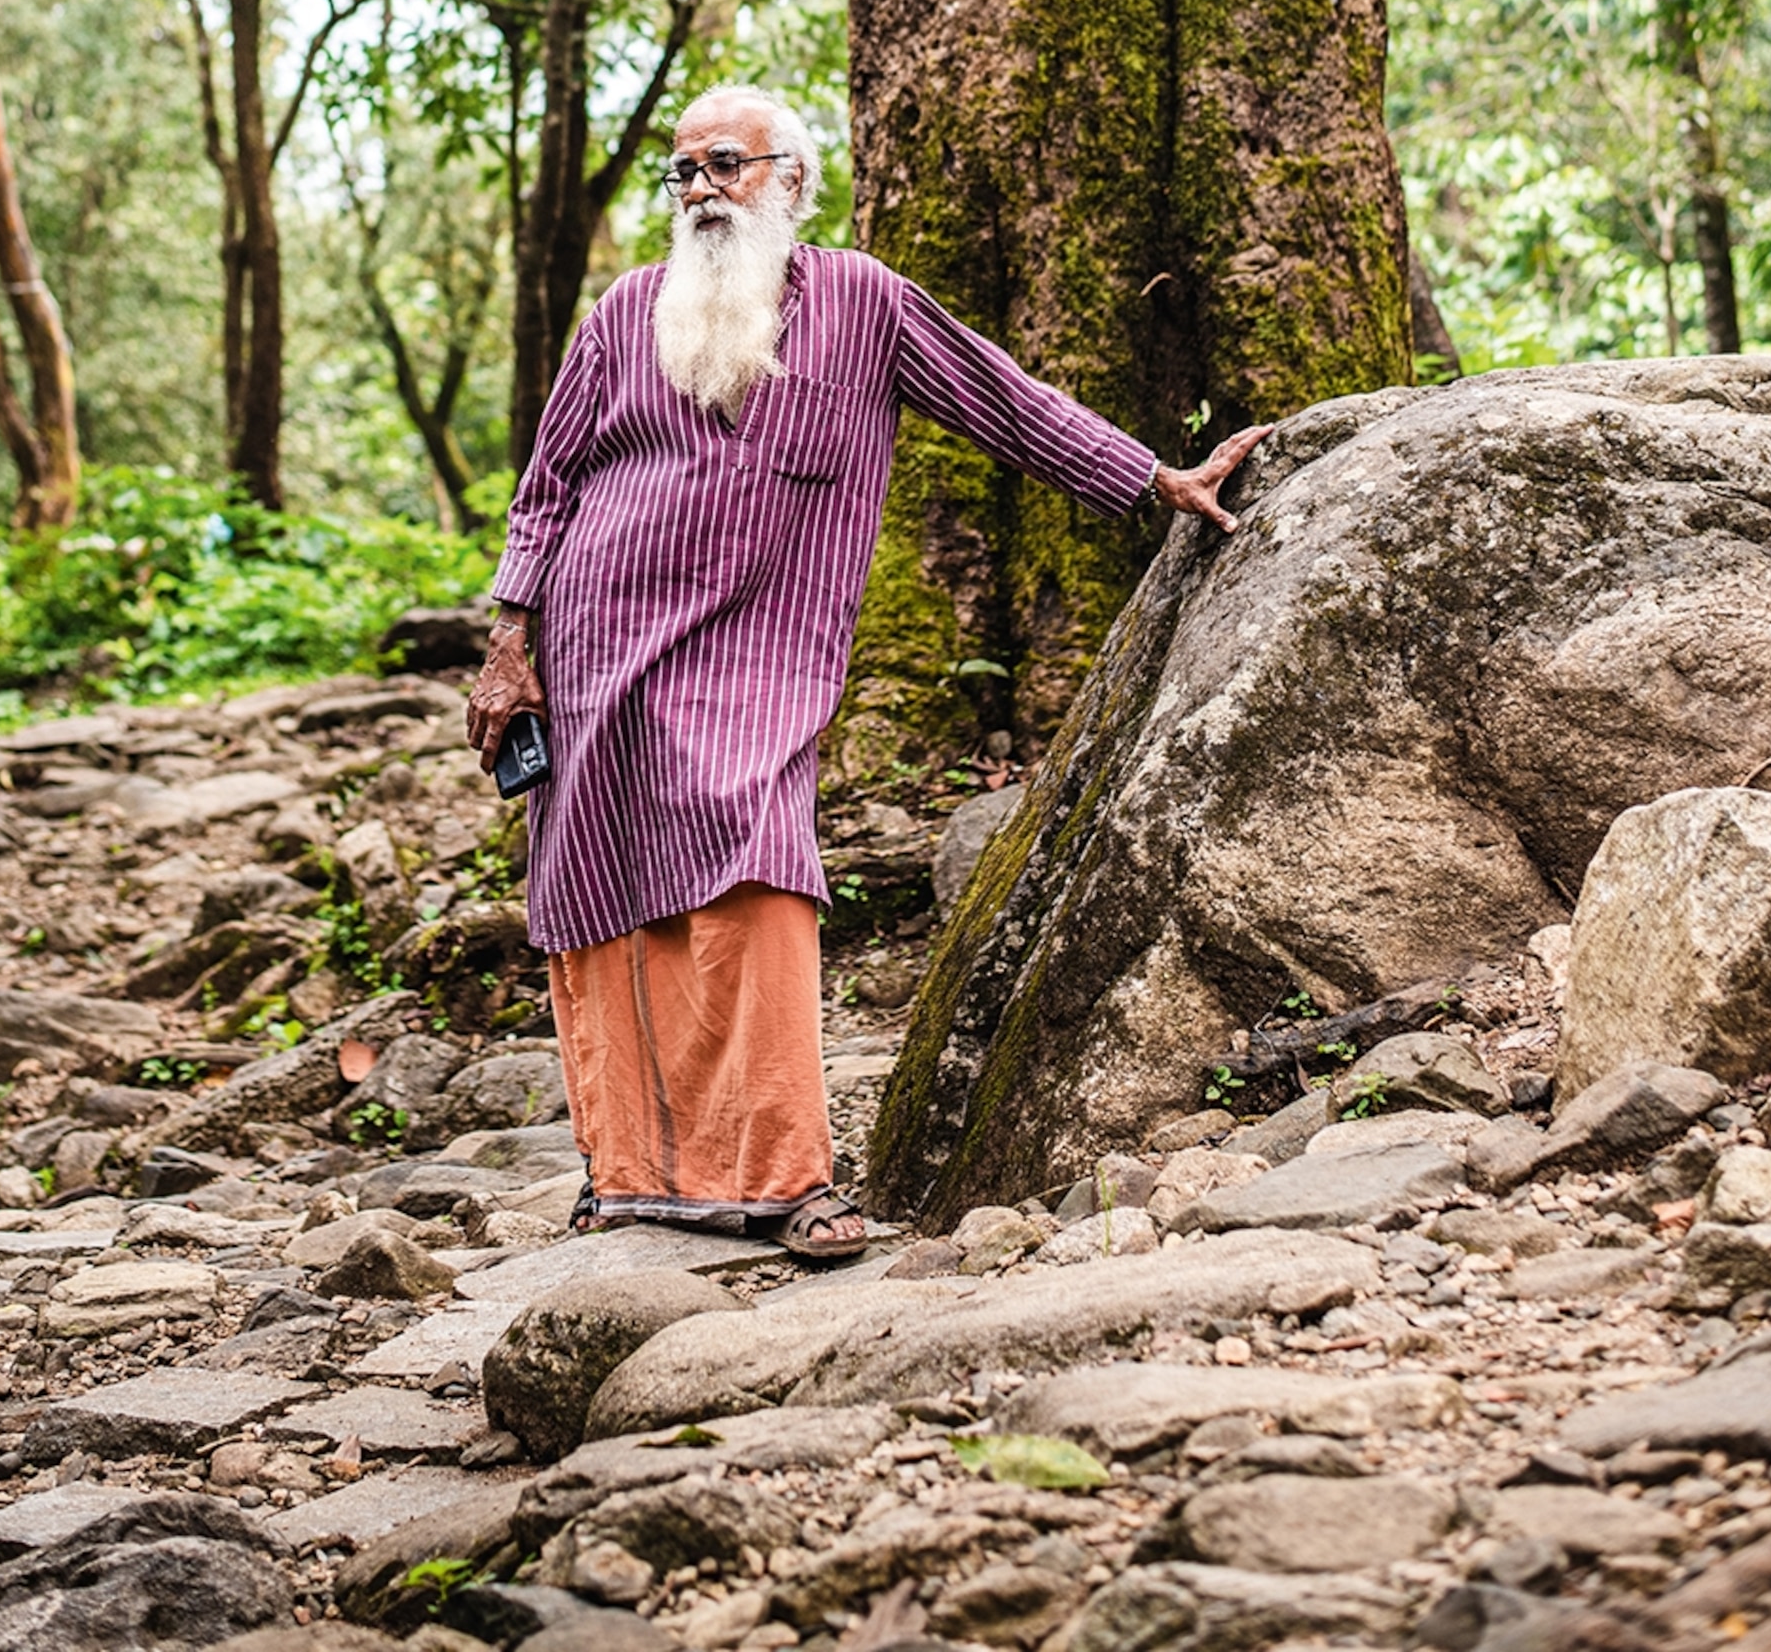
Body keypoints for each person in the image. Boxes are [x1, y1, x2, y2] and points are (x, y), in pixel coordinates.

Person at [468, 85, 1267, 1260]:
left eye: (725, 165)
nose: (699, 192)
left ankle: (787, 1177)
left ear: (790, 179)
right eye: (681, 172)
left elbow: (1006, 404)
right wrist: (507, 644)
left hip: (763, 640)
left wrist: (1154, 481)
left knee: (754, 856)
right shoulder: (622, 316)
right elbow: (545, 490)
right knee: (601, 886)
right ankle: (634, 1176)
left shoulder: (864, 301)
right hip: (595, 637)